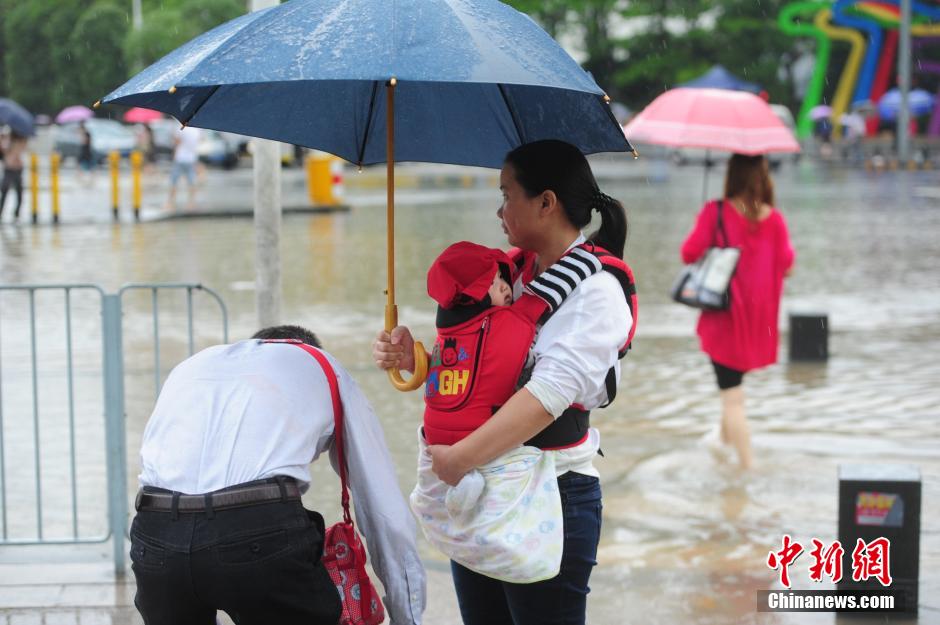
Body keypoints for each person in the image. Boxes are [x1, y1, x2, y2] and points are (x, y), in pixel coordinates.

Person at [374, 139, 635, 625]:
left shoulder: (596, 293)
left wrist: (458, 459)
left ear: (546, 202)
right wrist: (413, 357)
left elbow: (545, 398)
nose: (500, 210)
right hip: (479, 489)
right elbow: (476, 372)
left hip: (546, 494)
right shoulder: (505, 277)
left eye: (507, 194)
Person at [133, 325, 426, 625]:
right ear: (310, 347)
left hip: (155, 534)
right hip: (257, 532)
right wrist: (407, 617)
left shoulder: (193, 366)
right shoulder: (322, 366)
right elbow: (384, 512)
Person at [680, 154, 795, 470]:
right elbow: (787, 265)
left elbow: (689, 253)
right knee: (733, 389)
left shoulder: (715, 212)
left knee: (732, 398)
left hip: (726, 318)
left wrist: (702, 224)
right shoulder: (775, 219)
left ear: (731, 176)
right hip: (760, 322)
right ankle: (721, 442)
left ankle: (747, 468)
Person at [166, 125, 201, 210]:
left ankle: (171, 203)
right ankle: (191, 203)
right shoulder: (197, 130)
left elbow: (177, 142)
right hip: (192, 158)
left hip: (180, 157)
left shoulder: (182, 128)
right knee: (191, 181)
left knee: (174, 181)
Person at [0, 131, 27, 220]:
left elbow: (22, 149)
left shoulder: (20, 142)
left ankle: (17, 213)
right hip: (9, 168)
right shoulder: (6, 142)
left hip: (17, 168)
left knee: (19, 191)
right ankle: (1, 211)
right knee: (4, 191)